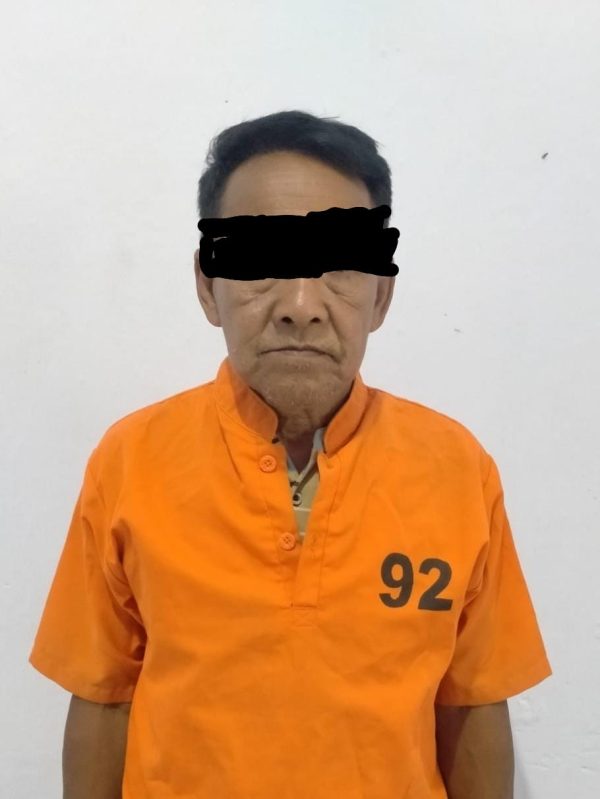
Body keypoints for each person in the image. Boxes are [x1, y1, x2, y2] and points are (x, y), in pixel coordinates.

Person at [29, 109, 552, 799]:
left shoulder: (457, 468)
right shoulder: (130, 460)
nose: (301, 304)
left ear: (381, 294)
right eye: (261, 260)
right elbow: (104, 698)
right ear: (207, 285)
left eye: (338, 264)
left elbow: (473, 704)